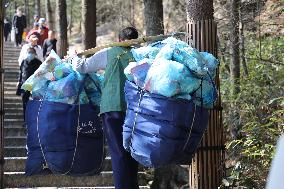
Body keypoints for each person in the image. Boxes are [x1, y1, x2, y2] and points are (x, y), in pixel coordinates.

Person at [71, 27, 139, 189]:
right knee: (132, 151)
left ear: (119, 39)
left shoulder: (109, 52)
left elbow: (83, 67)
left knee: (118, 152)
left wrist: (74, 57)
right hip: (137, 110)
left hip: (112, 107)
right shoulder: (139, 54)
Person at [17, 47, 42, 126]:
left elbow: (41, 74)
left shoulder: (38, 62)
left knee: (34, 103)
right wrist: (19, 81)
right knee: (25, 103)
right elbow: (21, 72)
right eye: (29, 52)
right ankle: (26, 121)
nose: (30, 54)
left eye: (32, 53)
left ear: (35, 54)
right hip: (25, 85)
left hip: (34, 86)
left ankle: (34, 121)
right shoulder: (24, 61)